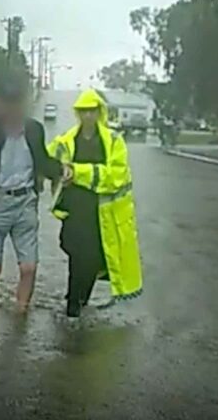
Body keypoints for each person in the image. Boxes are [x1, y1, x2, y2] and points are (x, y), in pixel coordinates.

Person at [0, 78, 61, 313]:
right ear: (1, 105)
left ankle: (20, 316)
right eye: (8, 103)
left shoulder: (35, 130)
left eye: (17, 103)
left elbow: (43, 160)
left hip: (26, 202)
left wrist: (61, 170)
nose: (13, 109)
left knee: (28, 268)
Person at [48, 88, 144, 318]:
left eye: (92, 111)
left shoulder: (113, 141)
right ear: (77, 113)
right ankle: (74, 302)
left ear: (99, 112)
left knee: (91, 259)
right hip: (74, 209)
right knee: (74, 252)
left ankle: (78, 302)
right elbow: (47, 160)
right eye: (83, 111)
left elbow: (115, 176)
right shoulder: (66, 140)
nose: (88, 116)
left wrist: (78, 172)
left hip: (101, 211)